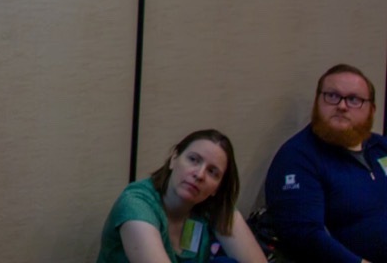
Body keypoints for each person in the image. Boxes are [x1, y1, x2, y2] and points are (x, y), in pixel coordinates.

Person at [264, 63, 387, 263]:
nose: (342, 106)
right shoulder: (299, 157)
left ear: (371, 110)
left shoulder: (380, 146)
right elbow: (305, 235)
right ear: (317, 102)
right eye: (332, 96)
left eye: (354, 99)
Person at [96, 129, 267, 263]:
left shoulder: (210, 205)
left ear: (217, 188)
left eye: (212, 172)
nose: (199, 175)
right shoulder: (136, 204)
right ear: (174, 159)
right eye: (193, 159)